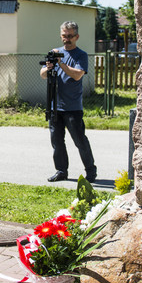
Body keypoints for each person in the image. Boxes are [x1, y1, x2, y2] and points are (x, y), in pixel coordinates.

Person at [40, 21, 97, 183]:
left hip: (72, 107)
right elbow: (43, 74)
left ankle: (91, 171)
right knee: (57, 142)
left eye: (70, 36)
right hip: (54, 107)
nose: (67, 39)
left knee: (80, 141)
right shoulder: (54, 52)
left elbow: (77, 75)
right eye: (64, 36)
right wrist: (48, 67)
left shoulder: (81, 55)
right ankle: (61, 171)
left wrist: (61, 63)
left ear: (77, 37)